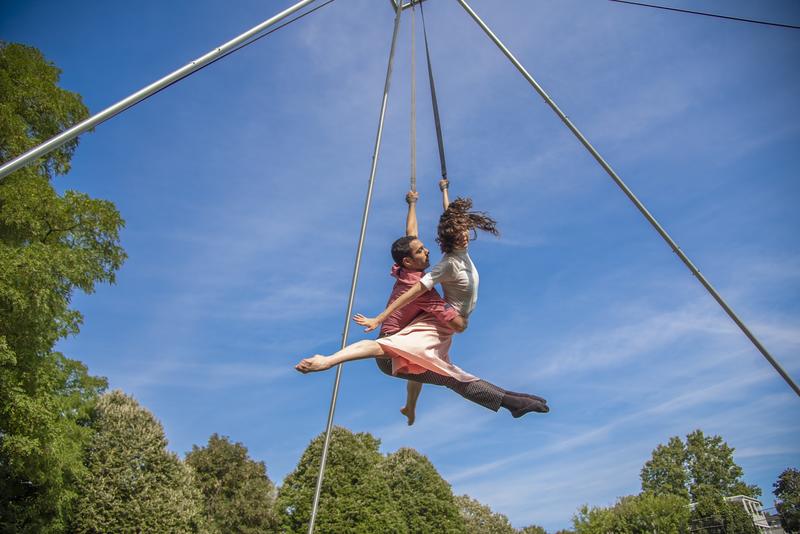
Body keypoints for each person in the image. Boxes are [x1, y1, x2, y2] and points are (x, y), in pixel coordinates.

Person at [295, 180, 548, 420]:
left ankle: (411, 407)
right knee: (446, 374)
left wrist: (414, 203)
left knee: (426, 364)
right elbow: (456, 323)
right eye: (420, 251)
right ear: (408, 261)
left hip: (413, 334)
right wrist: (373, 324)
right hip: (393, 346)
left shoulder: (409, 268)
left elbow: (414, 233)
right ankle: (512, 403)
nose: (427, 250)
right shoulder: (424, 290)